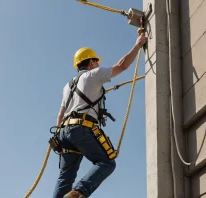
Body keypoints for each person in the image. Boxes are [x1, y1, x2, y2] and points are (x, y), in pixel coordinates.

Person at [53, 31, 147, 198]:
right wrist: (138, 45)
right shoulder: (93, 75)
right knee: (107, 163)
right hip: (80, 129)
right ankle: (79, 192)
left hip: (64, 133)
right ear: (91, 62)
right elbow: (122, 65)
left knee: (65, 178)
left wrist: (58, 138)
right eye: (96, 62)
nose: (97, 65)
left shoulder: (67, 86)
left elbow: (60, 115)